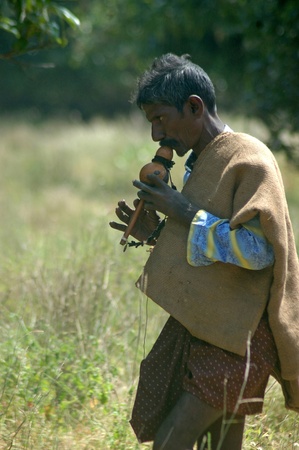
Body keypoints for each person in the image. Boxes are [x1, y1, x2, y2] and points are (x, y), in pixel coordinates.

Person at [109, 53, 299, 450]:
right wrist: (156, 231)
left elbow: (258, 252)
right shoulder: (200, 161)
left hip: (242, 335)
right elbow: (210, 247)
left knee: (171, 442)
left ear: (194, 106)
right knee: (220, 446)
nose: (156, 136)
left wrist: (181, 209)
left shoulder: (249, 159)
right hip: (212, 327)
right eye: (152, 123)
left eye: (161, 119)